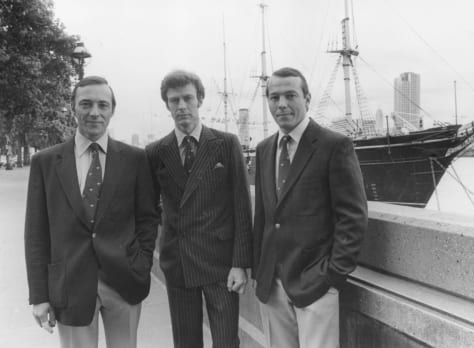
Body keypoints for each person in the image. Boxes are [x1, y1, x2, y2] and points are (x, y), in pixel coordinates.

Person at [25, 76, 159, 348]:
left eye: (102, 105)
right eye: (85, 104)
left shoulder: (136, 159)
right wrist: (39, 296)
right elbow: (36, 232)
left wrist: (141, 263)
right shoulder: (46, 162)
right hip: (69, 283)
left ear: (112, 110)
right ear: (73, 108)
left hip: (125, 282)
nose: (94, 112)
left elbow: (148, 218)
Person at [252, 67, 368, 348]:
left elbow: (352, 216)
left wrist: (332, 276)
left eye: (291, 95)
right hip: (272, 285)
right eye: (274, 97)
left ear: (307, 98)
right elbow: (264, 216)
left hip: (316, 284)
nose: (282, 104)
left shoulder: (334, 145)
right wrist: (259, 271)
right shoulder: (264, 149)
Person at [146, 70, 252, 348]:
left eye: (188, 98)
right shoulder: (156, 151)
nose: (181, 106)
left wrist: (240, 263)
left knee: (226, 341)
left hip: (220, 265)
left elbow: (242, 206)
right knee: (185, 342)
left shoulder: (226, 144)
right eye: (174, 100)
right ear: (167, 105)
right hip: (178, 263)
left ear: (200, 99)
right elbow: (148, 210)